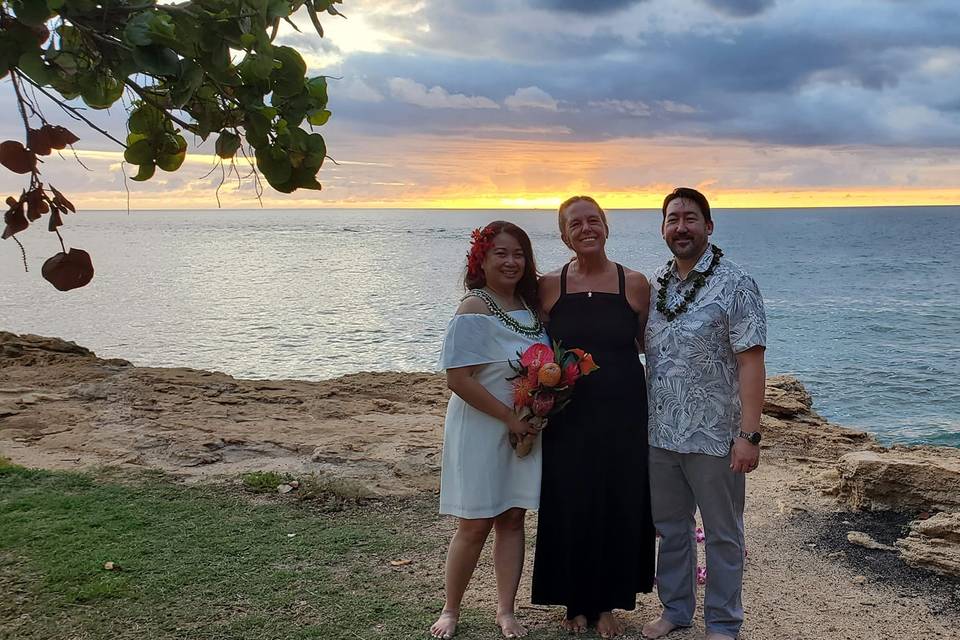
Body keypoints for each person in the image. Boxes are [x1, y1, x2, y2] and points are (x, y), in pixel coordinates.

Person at [642, 187, 767, 640]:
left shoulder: (735, 283)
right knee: (671, 529)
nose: (681, 227)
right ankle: (676, 610)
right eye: (672, 219)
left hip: (716, 435)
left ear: (708, 226)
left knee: (722, 533)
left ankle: (723, 623)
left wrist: (749, 435)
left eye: (690, 218)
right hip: (661, 432)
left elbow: (751, 361)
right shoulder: (656, 286)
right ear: (663, 229)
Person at [531, 196, 656, 639]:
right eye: (575, 224)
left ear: (606, 226)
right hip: (569, 414)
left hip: (624, 410)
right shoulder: (548, 286)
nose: (586, 228)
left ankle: (606, 603)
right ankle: (574, 598)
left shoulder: (634, 283)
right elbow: (536, 349)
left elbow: (650, 348)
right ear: (564, 235)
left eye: (593, 220)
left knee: (619, 501)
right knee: (571, 502)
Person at [430, 221, 550, 640]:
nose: (511, 261)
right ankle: (451, 609)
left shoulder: (532, 307)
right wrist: (509, 417)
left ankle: (506, 610)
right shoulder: (474, 307)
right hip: (483, 427)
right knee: (475, 522)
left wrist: (534, 412)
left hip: (523, 429)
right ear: (481, 258)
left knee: (514, 517)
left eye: (518, 253)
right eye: (501, 252)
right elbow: (459, 380)